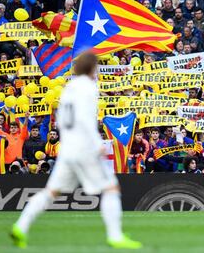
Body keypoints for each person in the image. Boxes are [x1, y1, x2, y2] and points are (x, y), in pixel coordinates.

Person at [10, 52, 142, 249]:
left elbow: (63, 121)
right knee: (111, 188)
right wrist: (95, 142)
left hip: (68, 149)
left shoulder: (69, 88)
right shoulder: (88, 87)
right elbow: (84, 119)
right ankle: (115, 236)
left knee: (51, 192)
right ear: (91, 68)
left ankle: (21, 226)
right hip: (84, 148)